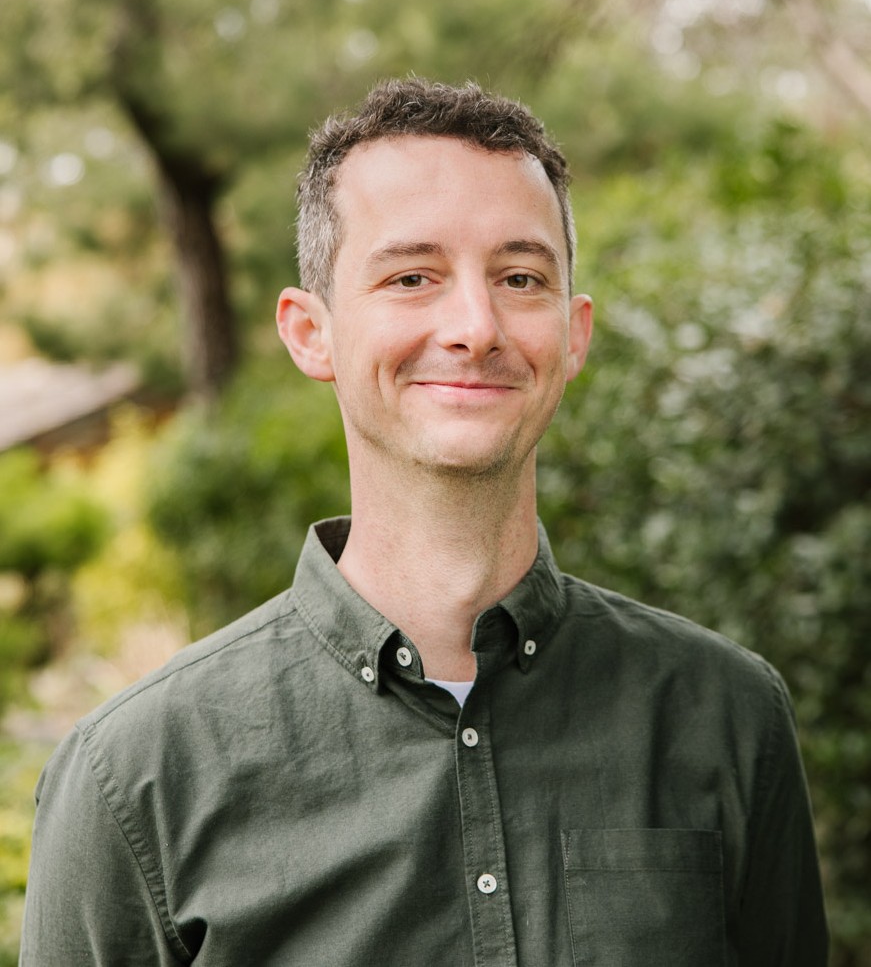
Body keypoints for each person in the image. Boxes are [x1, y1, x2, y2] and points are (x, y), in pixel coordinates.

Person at [20, 78, 827, 966]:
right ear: (308, 333)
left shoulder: (727, 716)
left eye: (520, 278)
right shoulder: (134, 776)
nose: (475, 326)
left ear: (573, 332)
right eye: (412, 277)